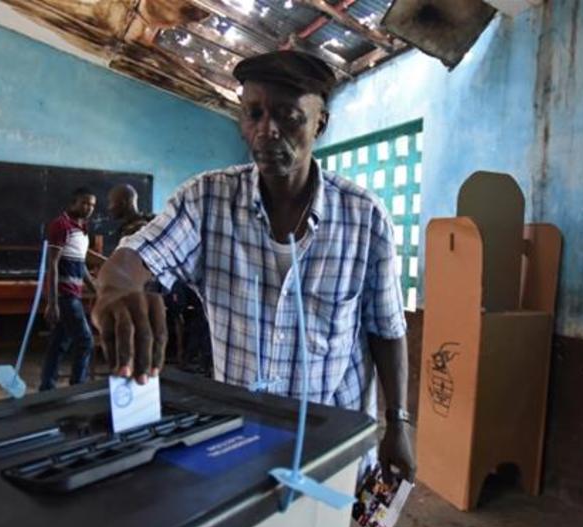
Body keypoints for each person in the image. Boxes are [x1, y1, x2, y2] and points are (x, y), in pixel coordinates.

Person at [91, 51, 416, 481]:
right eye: (254, 113)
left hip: (330, 444)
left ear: (320, 122)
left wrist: (398, 423)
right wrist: (116, 289)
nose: (267, 130)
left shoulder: (364, 217)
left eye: (288, 116)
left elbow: (386, 332)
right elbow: (136, 257)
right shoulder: (206, 202)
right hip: (240, 439)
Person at [39, 187, 98, 391]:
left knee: (58, 344)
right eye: (84, 203)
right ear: (73, 202)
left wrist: (95, 288)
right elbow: (52, 265)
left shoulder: (82, 228)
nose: (89, 208)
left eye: (92, 205)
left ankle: (46, 387)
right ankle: (77, 387)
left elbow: (80, 264)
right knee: (85, 341)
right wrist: (52, 303)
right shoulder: (61, 225)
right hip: (65, 296)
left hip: (74, 294)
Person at [91, 184, 153, 255]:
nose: (109, 208)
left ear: (123, 203)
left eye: (111, 202)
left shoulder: (137, 229)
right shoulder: (127, 226)